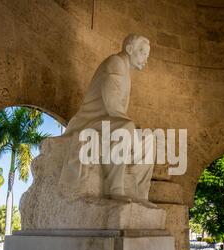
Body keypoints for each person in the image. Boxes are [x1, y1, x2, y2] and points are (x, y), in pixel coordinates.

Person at [62, 34, 156, 208]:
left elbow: (117, 111)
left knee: (149, 137)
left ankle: (140, 194)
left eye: (147, 56)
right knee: (126, 127)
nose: (146, 60)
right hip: (90, 122)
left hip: (108, 122)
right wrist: (131, 127)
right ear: (129, 49)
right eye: (143, 53)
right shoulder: (115, 62)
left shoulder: (125, 71)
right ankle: (115, 188)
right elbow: (112, 103)